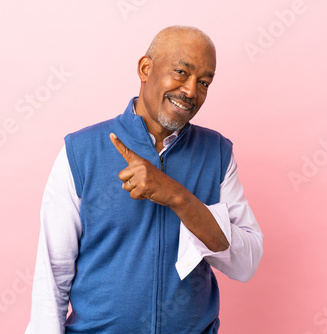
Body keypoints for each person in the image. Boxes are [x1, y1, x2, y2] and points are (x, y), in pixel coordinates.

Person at [25, 25, 263, 334]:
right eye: (181, 72)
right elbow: (53, 274)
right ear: (145, 68)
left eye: (204, 82)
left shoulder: (217, 154)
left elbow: (246, 264)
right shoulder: (81, 152)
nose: (191, 91)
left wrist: (178, 197)